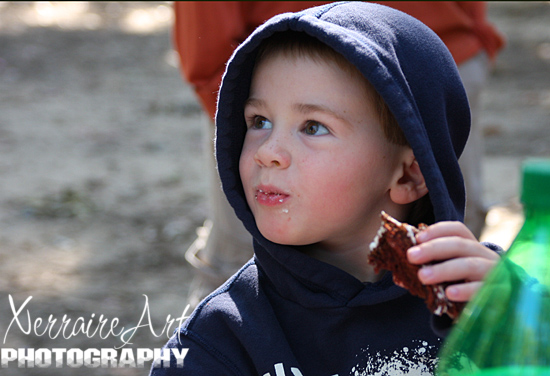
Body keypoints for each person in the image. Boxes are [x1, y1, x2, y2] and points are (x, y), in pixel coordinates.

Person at [152, 3, 501, 374]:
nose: (267, 152)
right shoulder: (221, 341)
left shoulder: (486, 293)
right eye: (259, 121)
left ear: (408, 176)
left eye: (313, 127)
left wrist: (524, 323)